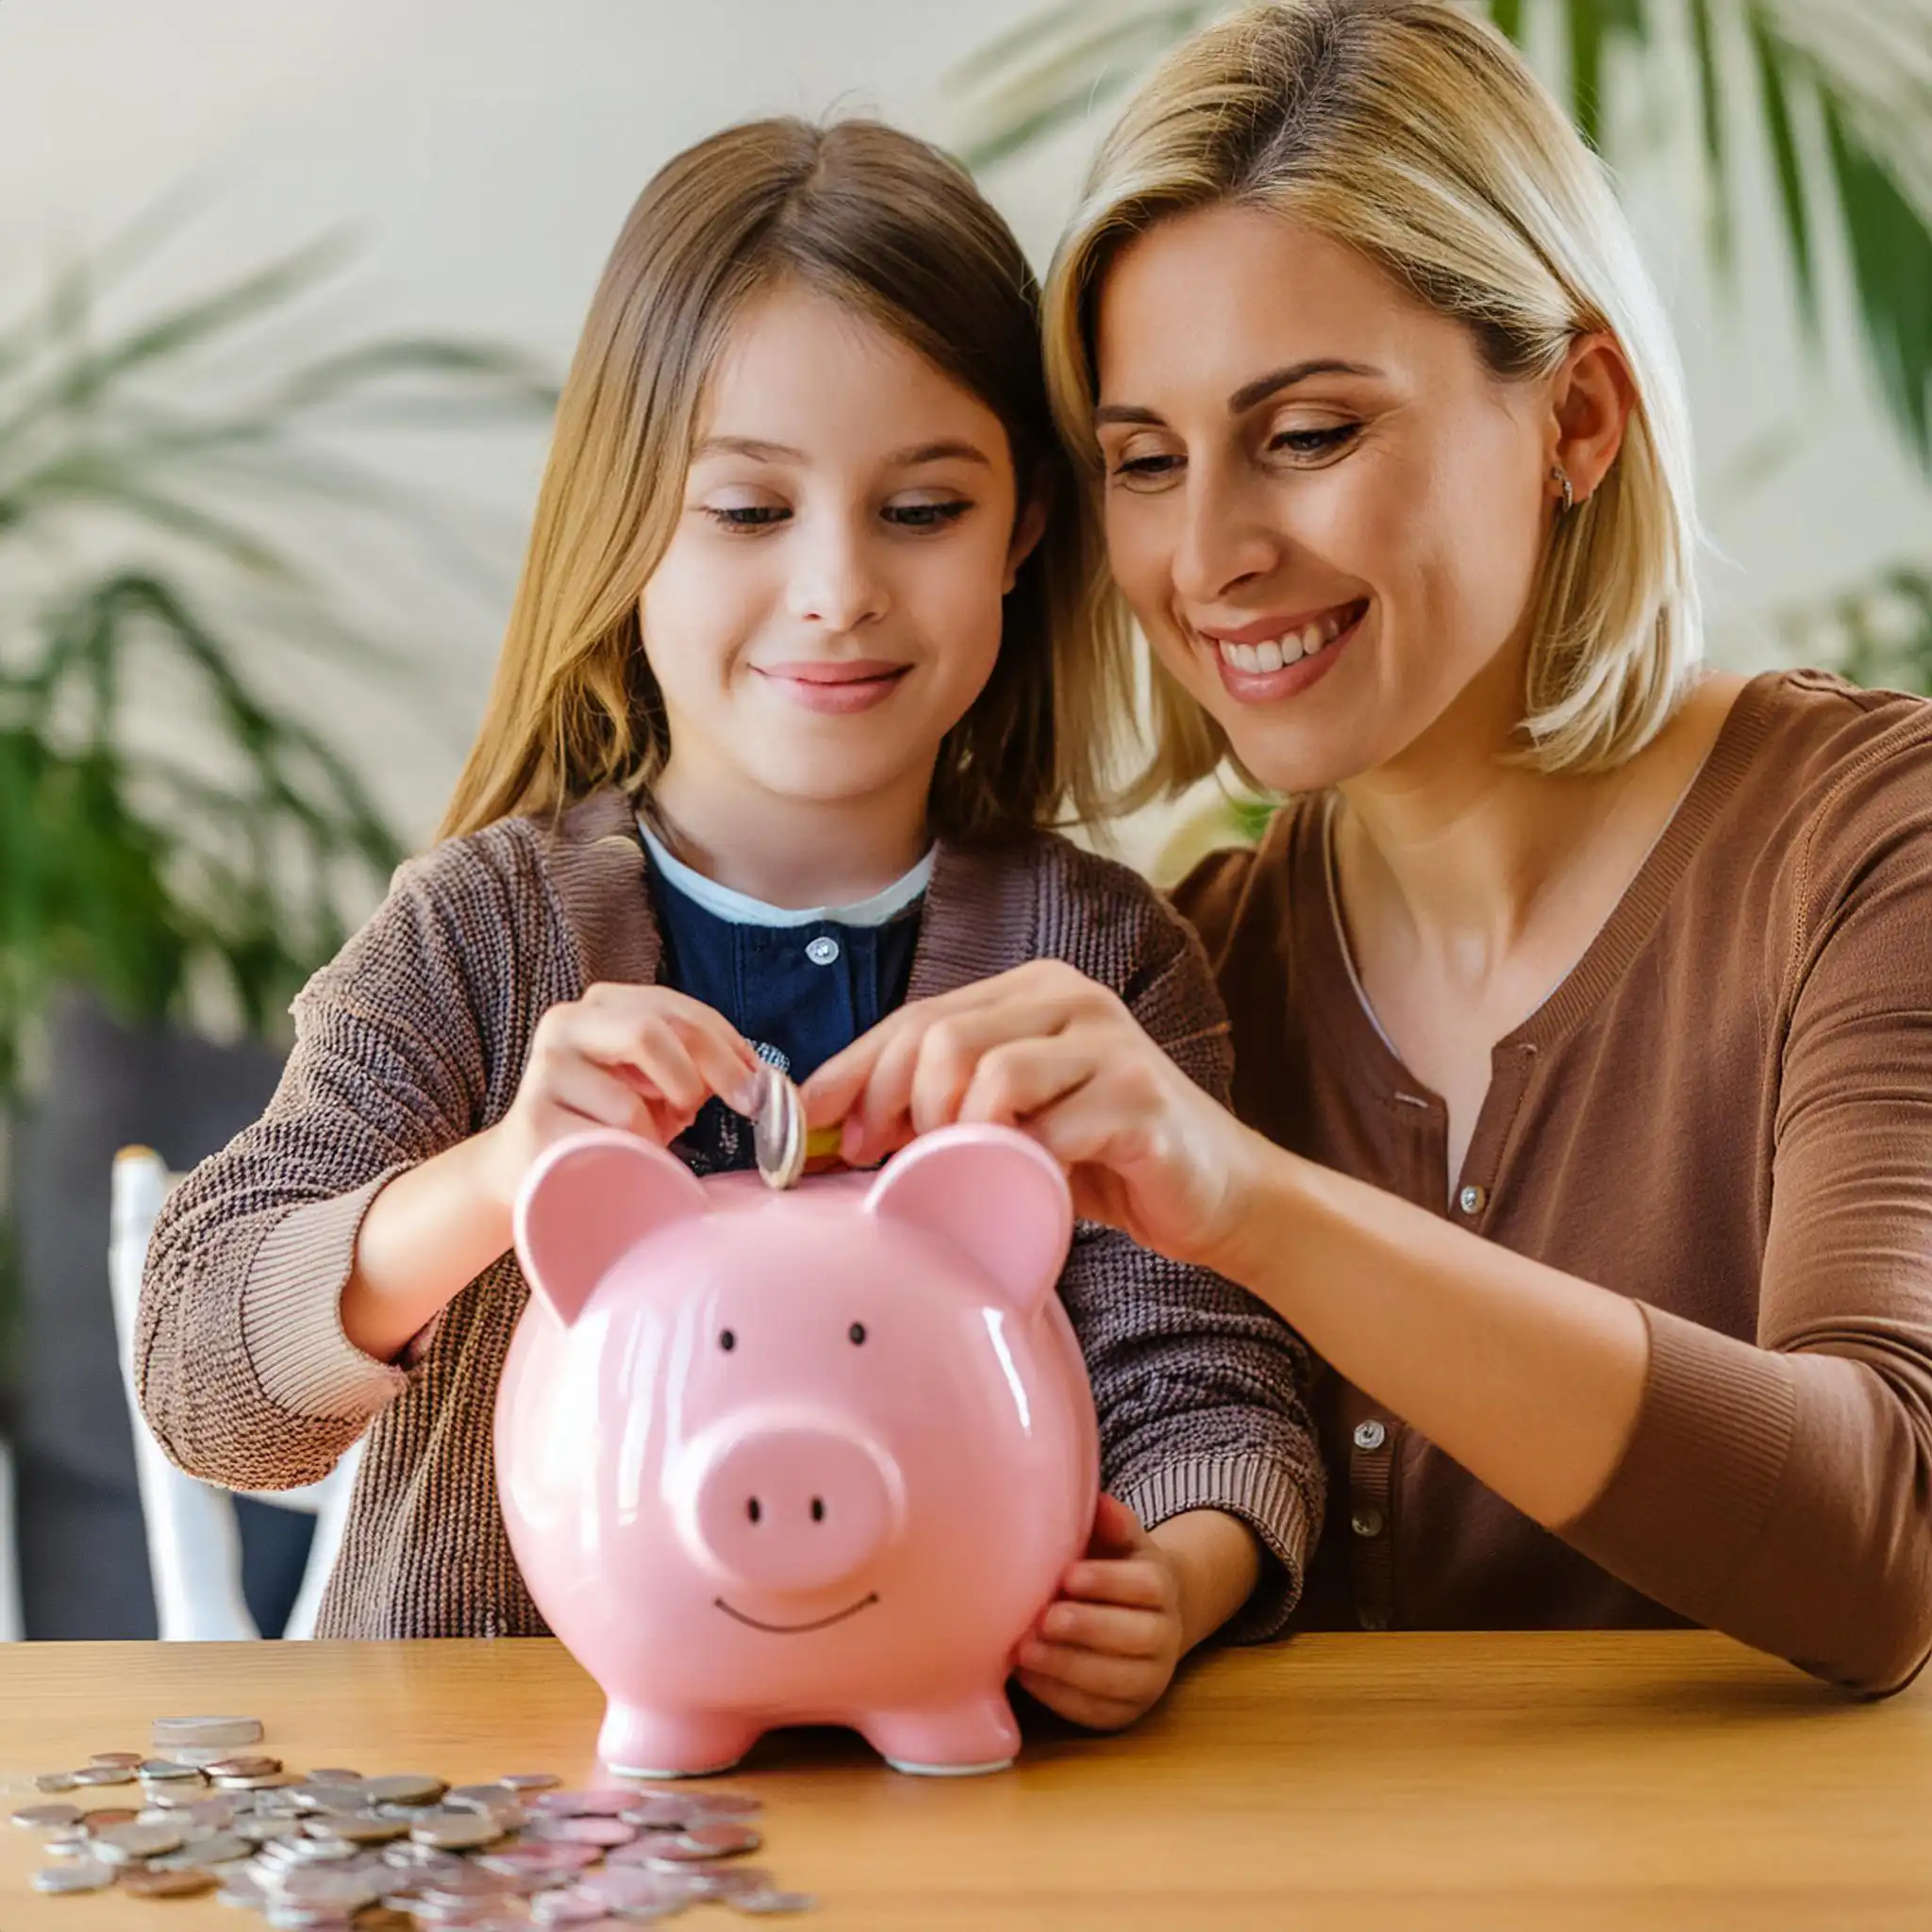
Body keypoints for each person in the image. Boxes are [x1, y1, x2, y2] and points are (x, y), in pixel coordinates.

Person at [804, 0, 1932, 1695]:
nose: (1211, 557)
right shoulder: (1186, 975)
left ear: (1577, 421)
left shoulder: (1865, 841)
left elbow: (1878, 1540)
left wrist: (1255, 1202)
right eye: (1144, 462)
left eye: (1311, 435)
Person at [137, 117, 1323, 1728]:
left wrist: (1174, 1581)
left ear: (1022, 532)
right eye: (750, 512)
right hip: (504, 1812)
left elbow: (1210, 1384)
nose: (837, 588)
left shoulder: (1092, 967)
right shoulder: (476, 940)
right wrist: (496, 1179)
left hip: (973, 1817)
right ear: (632, 522)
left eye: (921, 510)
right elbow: (208, 1375)